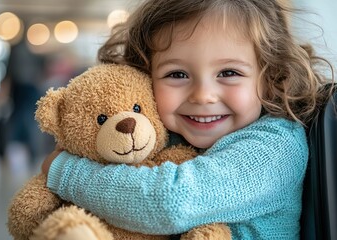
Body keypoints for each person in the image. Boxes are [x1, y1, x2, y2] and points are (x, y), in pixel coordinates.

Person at [41, 0, 335, 239]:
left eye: (229, 72)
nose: (203, 95)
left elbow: (171, 202)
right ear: (145, 76)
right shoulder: (164, 136)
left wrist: (65, 172)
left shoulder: (275, 145)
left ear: (270, 78)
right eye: (177, 74)